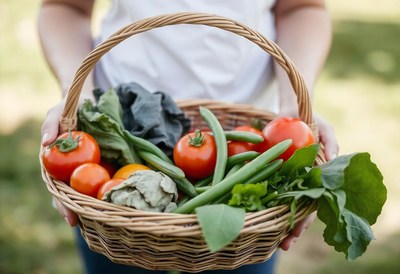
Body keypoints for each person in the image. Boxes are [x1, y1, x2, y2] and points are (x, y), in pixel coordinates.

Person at [38, 0, 339, 273]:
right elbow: (65, 6)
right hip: (121, 131)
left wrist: (293, 111)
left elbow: (302, 7)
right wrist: (78, 97)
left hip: (256, 140)